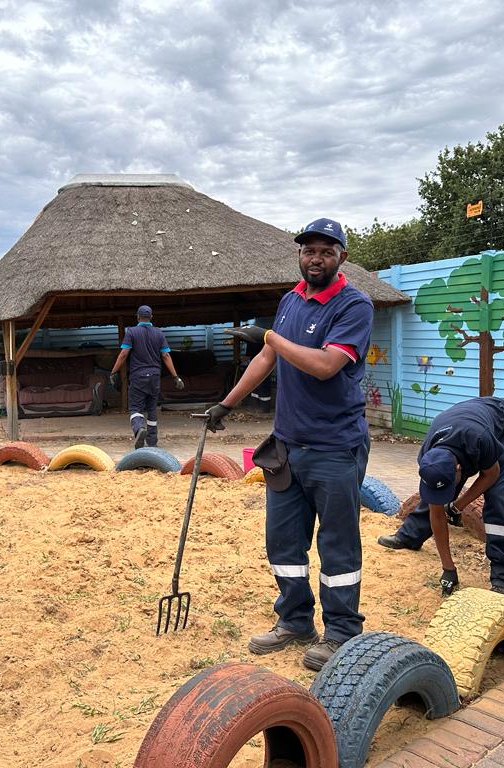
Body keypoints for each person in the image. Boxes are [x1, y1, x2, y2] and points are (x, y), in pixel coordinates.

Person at [205, 217, 373, 671]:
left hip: (335, 447)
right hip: (287, 446)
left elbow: (324, 365)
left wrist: (271, 336)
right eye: (308, 250)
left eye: (325, 250)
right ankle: (295, 621)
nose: (315, 257)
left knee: (337, 545)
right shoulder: (290, 301)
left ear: (341, 257)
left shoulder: (353, 305)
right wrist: (226, 404)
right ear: (299, 255)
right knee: (283, 542)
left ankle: (341, 632)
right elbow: (267, 357)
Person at [378, 396, 504, 597]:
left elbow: (490, 475)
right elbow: (436, 510)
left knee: (496, 494)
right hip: (462, 427)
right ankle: (410, 535)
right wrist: (448, 568)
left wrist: (458, 505)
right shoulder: (428, 457)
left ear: (459, 469)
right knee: (434, 496)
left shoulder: (480, 439)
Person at [109, 305, 184, 449]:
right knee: (151, 409)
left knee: (135, 408)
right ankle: (152, 443)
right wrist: (176, 377)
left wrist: (113, 372)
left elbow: (124, 354)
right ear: (151, 317)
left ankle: (139, 429)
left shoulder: (131, 332)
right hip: (155, 377)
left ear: (137, 317)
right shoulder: (159, 333)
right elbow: (166, 355)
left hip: (138, 377)